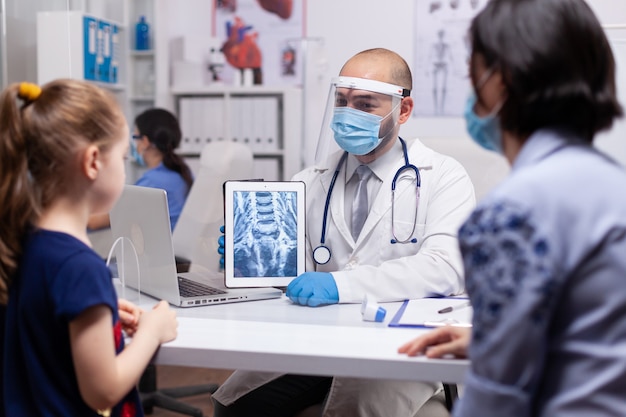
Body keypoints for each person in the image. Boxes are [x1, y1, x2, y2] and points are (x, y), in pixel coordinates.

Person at [213, 48, 476, 417]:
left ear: (403, 110)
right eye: (342, 102)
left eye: (365, 105)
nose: (348, 114)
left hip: (398, 344)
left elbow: (445, 268)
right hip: (317, 338)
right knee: (235, 404)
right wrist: (257, 259)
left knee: (355, 409)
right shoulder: (311, 179)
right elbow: (296, 270)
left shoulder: (443, 177)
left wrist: (340, 285)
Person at [399, 0, 626, 415]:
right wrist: (495, 337)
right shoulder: (615, 186)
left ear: (500, 80)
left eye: (473, 69)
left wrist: (495, 355)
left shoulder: (509, 215)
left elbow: (496, 402)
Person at [0, 79, 178, 416]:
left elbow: (42, 319)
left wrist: (102, 309)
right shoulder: (80, 268)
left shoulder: (19, 241)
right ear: (94, 161)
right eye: (123, 157)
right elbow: (103, 391)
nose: (126, 170)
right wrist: (152, 333)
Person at [88, 108, 193, 231]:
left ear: (145, 141)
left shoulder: (153, 182)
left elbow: (95, 222)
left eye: (135, 137)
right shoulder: (182, 172)